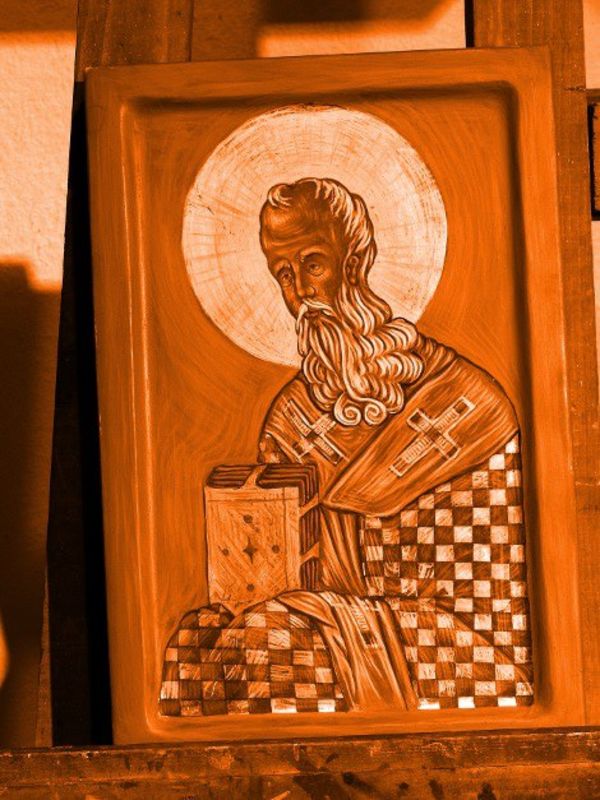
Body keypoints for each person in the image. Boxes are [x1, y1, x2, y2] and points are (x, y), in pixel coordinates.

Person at [160, 178, 533, 717]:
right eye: (282, 274)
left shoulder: (466, 402)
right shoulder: (291, 418)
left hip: (461, 653)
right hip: (328, 625)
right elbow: (285, 578)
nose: (299, 292)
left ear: (354, 262)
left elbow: (490, 601)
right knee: (195, 650)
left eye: (312, 264)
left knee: (264, 645)